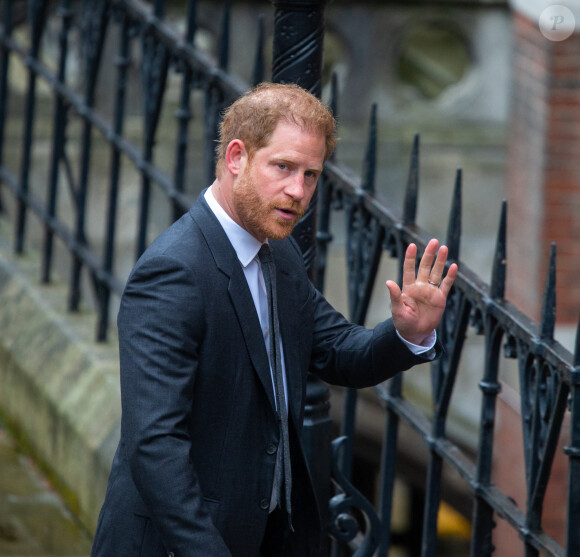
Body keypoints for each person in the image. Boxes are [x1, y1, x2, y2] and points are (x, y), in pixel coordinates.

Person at [90, 82, 458, 557]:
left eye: (311, 175)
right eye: (283, 167)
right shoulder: (174, 271)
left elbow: (338, 352)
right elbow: (155, 443)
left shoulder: (276, 254)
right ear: (237, 156)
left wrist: (410, 333)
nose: (297, 192)